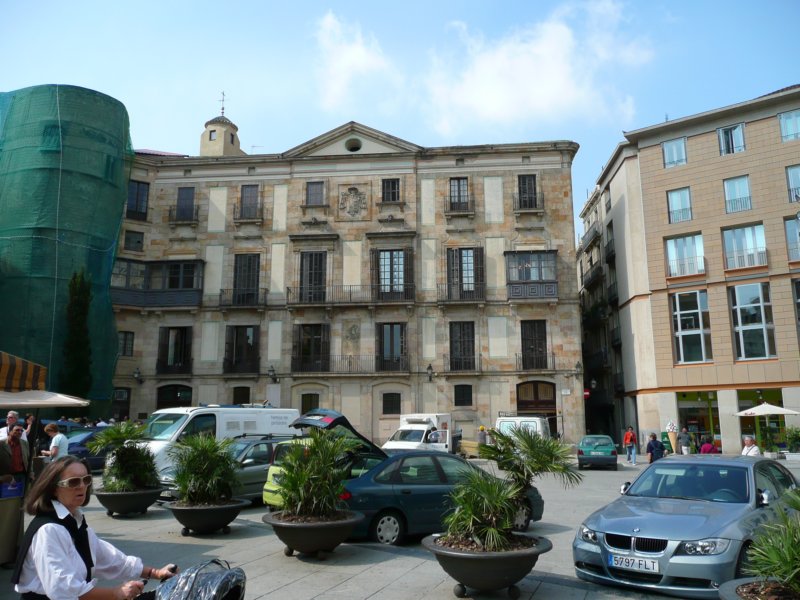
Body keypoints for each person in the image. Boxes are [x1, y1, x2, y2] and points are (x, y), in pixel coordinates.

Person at [12, 456, 177, 599]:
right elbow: (64, 590)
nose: (82, 486)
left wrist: (155, 573)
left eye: (86, 480)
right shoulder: (49, 531)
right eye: (73, 482)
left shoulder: (75, 522)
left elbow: (111, 559)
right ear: (54, 489)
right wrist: (116, 593)